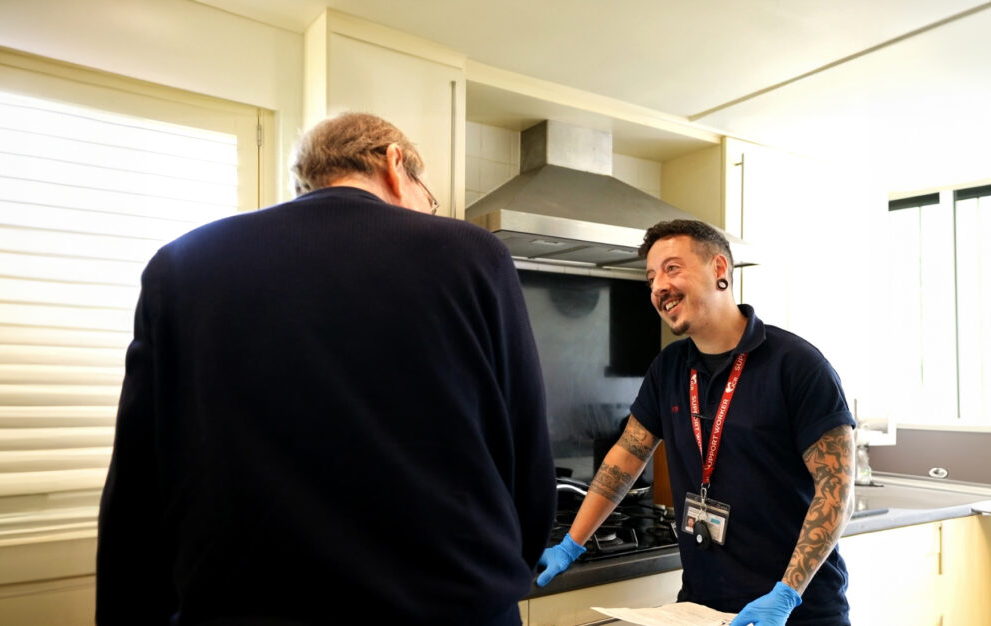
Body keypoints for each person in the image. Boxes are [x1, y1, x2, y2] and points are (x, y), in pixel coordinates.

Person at [96, 111, 557, 626]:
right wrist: (502, 575)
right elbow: (526, 453)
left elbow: (137, 486)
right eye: (427, 196)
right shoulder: (473, 254)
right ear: (393, 162)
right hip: (453, 607)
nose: (429, 211)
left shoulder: (180, 265)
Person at [536, 219, 855, 625]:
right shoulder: (669, 368)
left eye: (672, 268)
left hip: (798, 612)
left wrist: (787, 594)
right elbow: (627, 455)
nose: (657, 287)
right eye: (650, 277)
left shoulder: (798, 365)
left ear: (720, 270)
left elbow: (836, 490)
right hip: (701, 608)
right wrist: (571, 543)